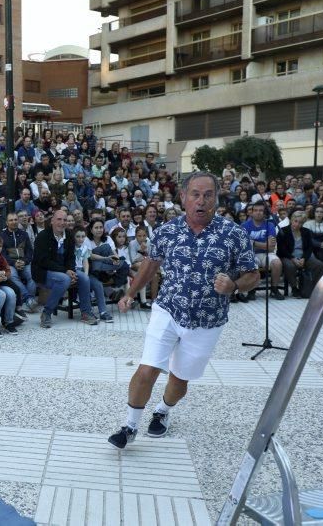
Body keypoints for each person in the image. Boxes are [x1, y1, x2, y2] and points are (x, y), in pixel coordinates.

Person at [109, 172, 260, 449]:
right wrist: (130, 294)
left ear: (216, 198)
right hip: (167, 310)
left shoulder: (233, 234)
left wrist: (234, 285)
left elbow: (254, 275)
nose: (201, 201)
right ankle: (129, 426)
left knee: (179, 381)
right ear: (183, 197)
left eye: (207, 195)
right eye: (195, 194)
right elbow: (150, 266)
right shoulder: (167, 231)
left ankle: (163, 410)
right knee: (147, 369)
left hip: (207, 321)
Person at [32, 209, 99, 328]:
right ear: (52, 221)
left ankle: (86, 312)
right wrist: (65, 272)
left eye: (64, 220)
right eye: (59, 219)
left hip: (63, 271)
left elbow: (70, 257)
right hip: (43, 272)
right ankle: (47, 313)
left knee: (84, 277)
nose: (62, 222)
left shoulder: (68, 235)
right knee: (64, 279)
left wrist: (71, 271)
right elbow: (44, 261)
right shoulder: (42, 236)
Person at [278, 210, 323, 298]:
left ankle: (313, 288)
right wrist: (293, 258)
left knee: (319, 265)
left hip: (303, 256)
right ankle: (294, 288)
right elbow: (282, 249)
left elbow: (309, 248)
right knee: (290, 266)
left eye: (300, 222)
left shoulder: (306, 231)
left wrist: (304, 258)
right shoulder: (283, 231)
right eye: (295, 221)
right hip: (288, 256)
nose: (297, 224)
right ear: (291, 220)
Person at [242, 201, 285, 300]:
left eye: (261, 210)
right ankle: (251, 290)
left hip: (267, 253)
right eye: (255, 210)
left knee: (277, 263)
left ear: (264, 212)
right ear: (251, 212)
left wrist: (253, 243)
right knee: (251, 263)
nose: (258, 212)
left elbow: (271, 247)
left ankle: (274, 289)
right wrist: (264, 244)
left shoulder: (269, 225)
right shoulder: (244, 226)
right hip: (251, 254)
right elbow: (245, 247)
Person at [1, 212, 40, 313]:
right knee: (12, 276)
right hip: (10, 263)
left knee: (33, 275)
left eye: (15, 220)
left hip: (24, 262)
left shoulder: (24, 234)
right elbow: (2, 255)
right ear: (6, 222)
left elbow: (30, 251)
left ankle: (28, 302)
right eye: (11, 220)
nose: (13, 222)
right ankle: (28, 300)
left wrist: (24, 261)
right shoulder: (2, 236)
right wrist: (14, 263)